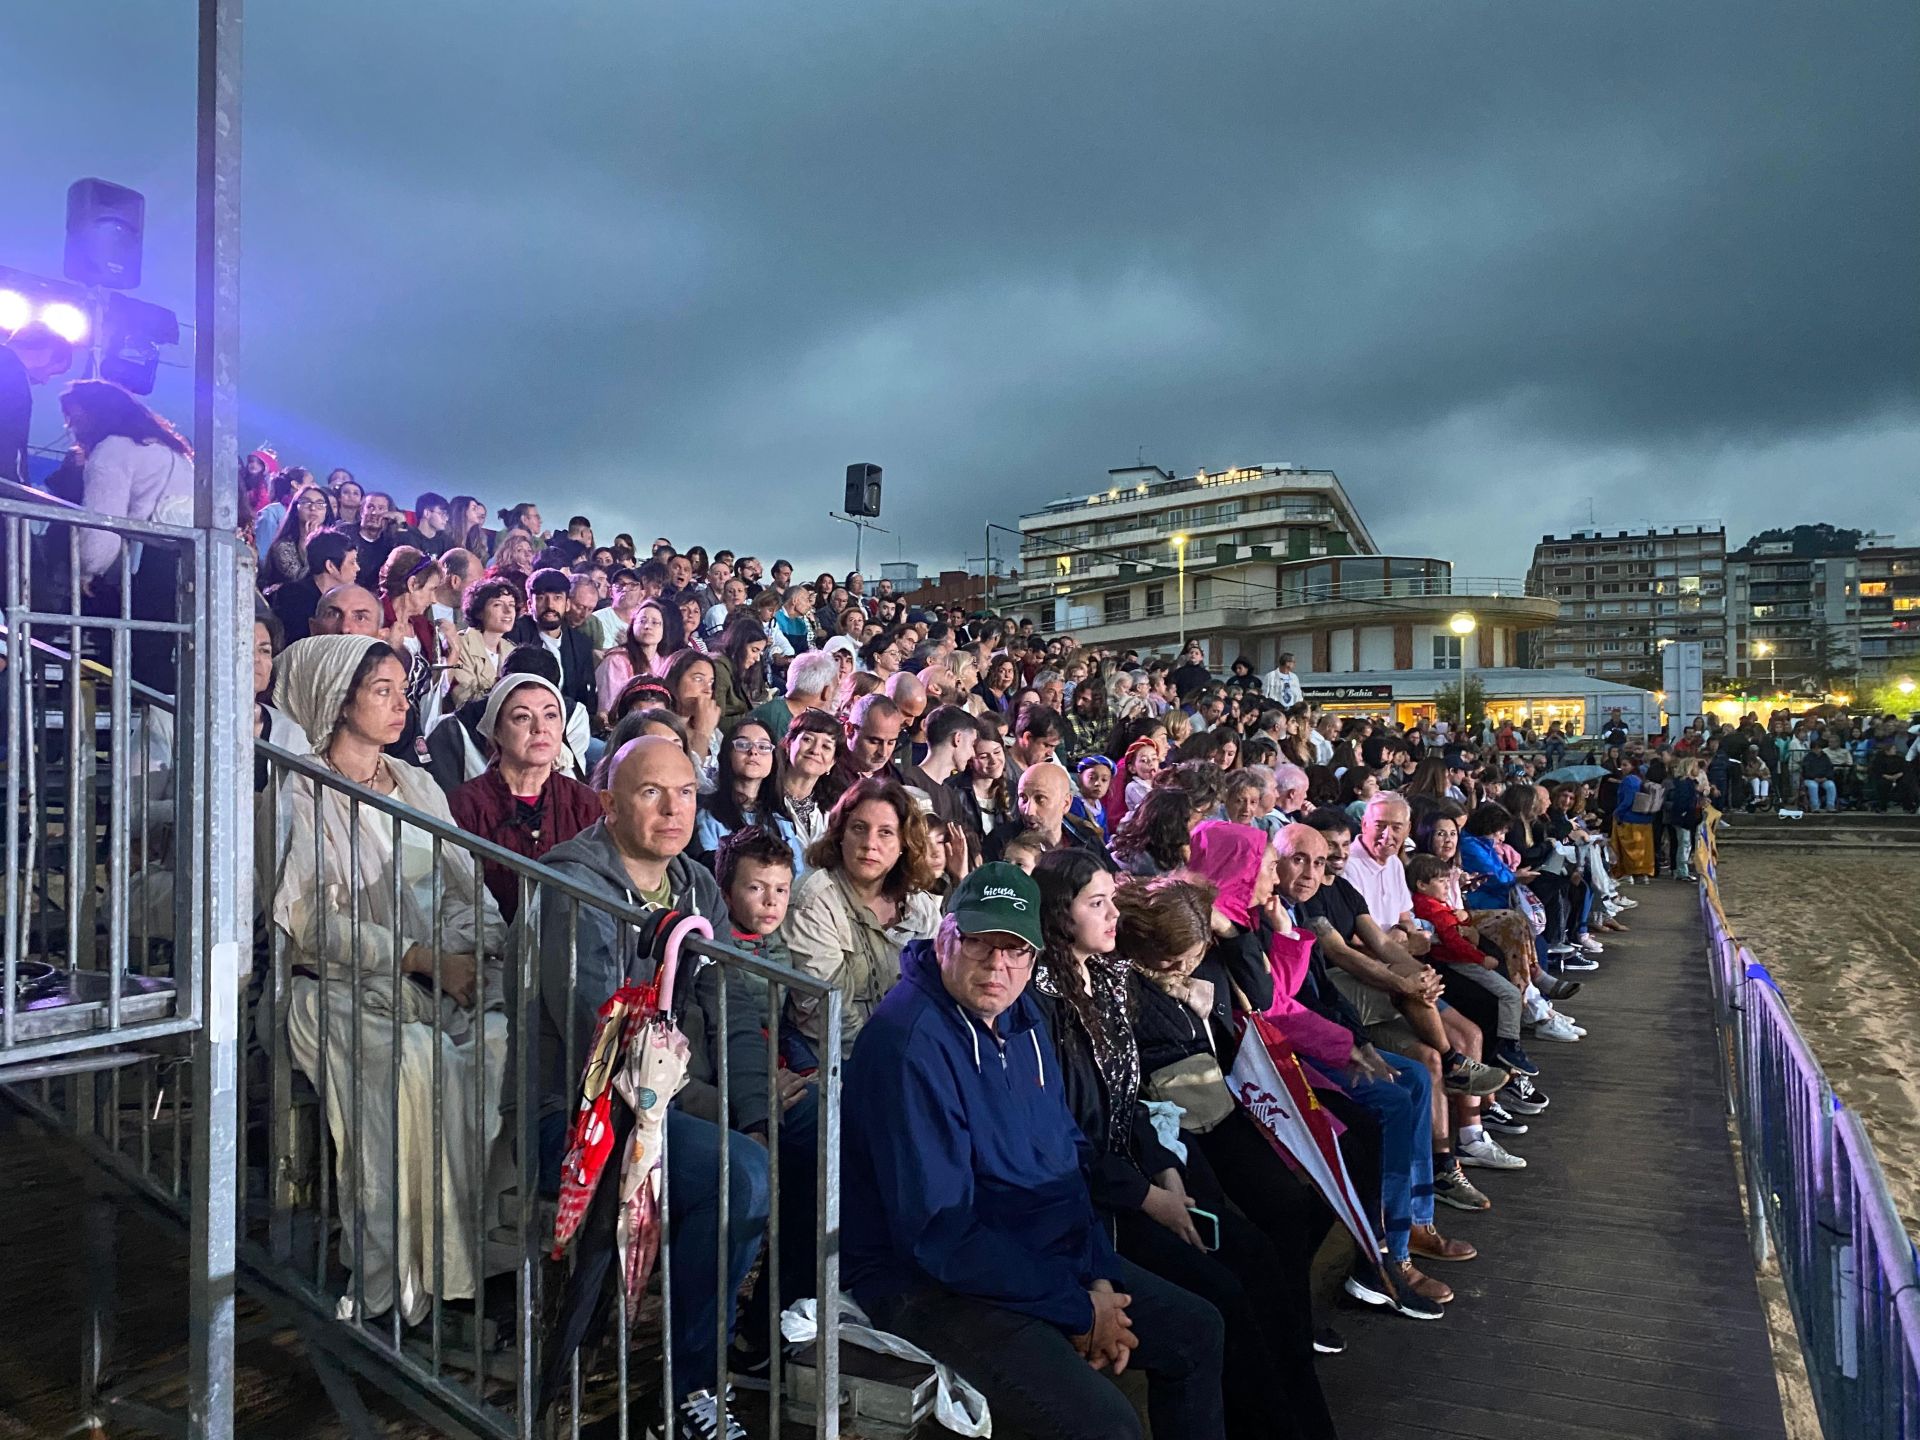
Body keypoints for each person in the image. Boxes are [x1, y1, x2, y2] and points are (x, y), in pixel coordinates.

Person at [843, 863, 1229, 1440]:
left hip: (1032, 1254)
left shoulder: (1021, 1017)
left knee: (1198, 1329)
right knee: (1107, 1427)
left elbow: (1066, 1159)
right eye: (981, 944)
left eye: (1016, 950)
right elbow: (940, 1237)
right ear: (947, 936)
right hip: (927, 1286)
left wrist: (1096, 1278)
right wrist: (1076, 1310)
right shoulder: (909, 1045)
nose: (998, 966)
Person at [1030, 852, 1338, 1440]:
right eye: (1096, 903)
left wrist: (1166, 1171)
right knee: (1223, 1297)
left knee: (1260, 1261)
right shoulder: (1042, 1004)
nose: (1112, 911)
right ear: (1058, 917)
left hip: (1139, 1178)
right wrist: (1148, 1196)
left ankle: (1304, 1422)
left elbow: (1134, 1100)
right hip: (1095, 1204)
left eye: (1111, 898)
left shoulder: (1111, 980)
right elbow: (1066, 1136)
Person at [267, 634, 509, 1324]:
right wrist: (418, 956)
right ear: (338, 701)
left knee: (500, 1043)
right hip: (330, 988)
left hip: (436, 975)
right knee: (414, 1064)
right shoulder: (301, 788)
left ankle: (469, 1260)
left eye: (404, 690)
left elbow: (470, 886)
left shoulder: (419, 784)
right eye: (382, 691)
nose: (401, 704)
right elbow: (310, 923)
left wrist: (470, 951)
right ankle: (399, 1277)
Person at [534, 737, 770, 1436]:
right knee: (740, 1172)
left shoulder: (697, 883)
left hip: (669, 1105)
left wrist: (757, 1110)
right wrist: (725, 1118)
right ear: (607, 804)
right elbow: (606, 1046)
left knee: (814, 1128)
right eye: (650, 792)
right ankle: (689, 1393)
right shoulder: (571, 884)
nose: (675, 808)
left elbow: (734, 1000)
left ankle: (764, 1336)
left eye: (687, 793)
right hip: (581, 1120)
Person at [782, 776, 941, 1065]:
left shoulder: (920, 905)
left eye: (885, 833)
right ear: (840, 833)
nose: (870, 844)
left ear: (904, 843)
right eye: (859, 828)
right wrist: (886, 1063)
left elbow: (937, 994)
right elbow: (825, 1011)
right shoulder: (815, 897)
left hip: (912, 1053)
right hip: (835, 1062)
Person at [60, 381, 196, 690]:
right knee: (164, 658)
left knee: (140, 660)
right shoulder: (169, 449)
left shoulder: (113, 450)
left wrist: (86, 569)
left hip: (147, 564)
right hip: (186, 560)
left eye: (73, 415)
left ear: (94, 413)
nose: (70, 425)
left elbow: (102, 524)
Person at [447, 673, 601, 921]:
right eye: (522, 717)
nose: (540, 728)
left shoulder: (584, 803)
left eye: (550, 715)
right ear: (497, 731)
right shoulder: (464, 806)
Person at [694, 716, 802, 868]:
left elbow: (796, 875)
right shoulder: (708, 815)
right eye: (743, 744)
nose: (753, 752)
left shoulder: (781, 819)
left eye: (763, 747)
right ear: (727, 754)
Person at [508, 568, 596, 716]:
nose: (550, 605)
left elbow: (585, 698)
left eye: (557, 598)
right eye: (542, 598)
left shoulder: (581, 644)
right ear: (530, 605)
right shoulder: (514, 635)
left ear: (567, 604)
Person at [0, 321, 74, 482]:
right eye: (52, 372)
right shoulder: (15, 378)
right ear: (47, 353)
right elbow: (10, 443)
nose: (45, 381)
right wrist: (19, 488)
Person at [446, 576, 519, 708]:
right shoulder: (461, 645)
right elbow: (464, 699)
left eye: (511, 605)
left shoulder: (512, 650)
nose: (508, 611)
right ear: (479, 612)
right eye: (497, 605)